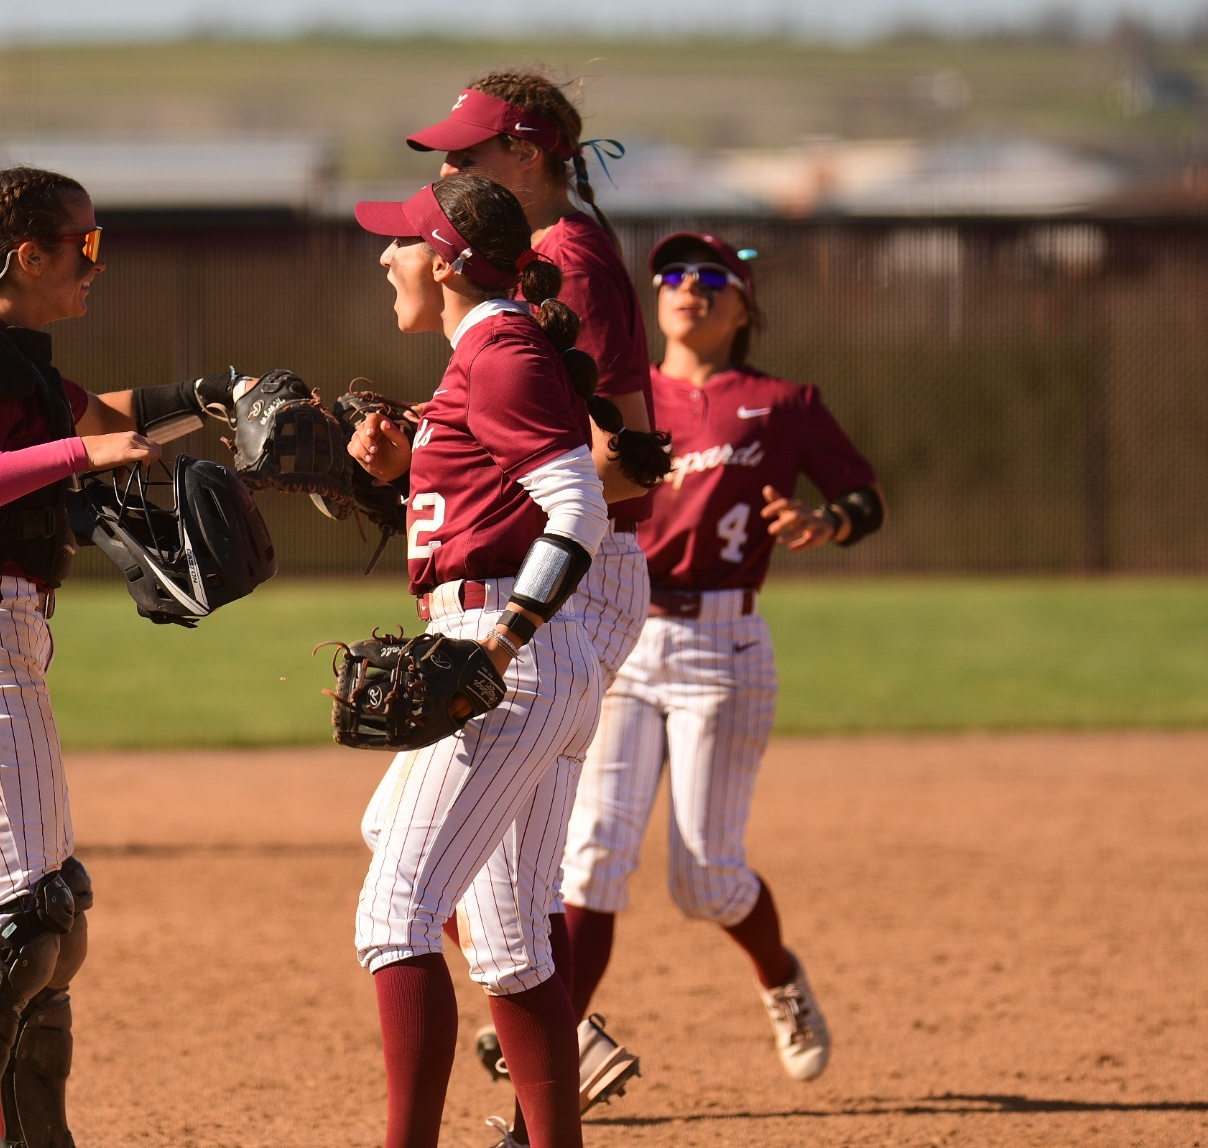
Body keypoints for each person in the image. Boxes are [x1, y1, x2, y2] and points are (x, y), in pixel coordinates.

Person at [0, 166, 247, 1148]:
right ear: (27, 253)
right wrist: (86, 458)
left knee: (51, 910)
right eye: (84, 246)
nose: (93, 264)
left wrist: (217, 397)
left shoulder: (12, 352)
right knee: (19, 915)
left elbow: (101, 417)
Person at [557, 233, 886, 1085]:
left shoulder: (782, 402)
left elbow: (864, 493)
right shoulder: (618, 396)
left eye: (711, 278)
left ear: (743, 308)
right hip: (623, 636)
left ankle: (779, 975)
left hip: (724, 645)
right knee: (593, 851)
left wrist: (830, 522)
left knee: (704, 879)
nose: (686, 288)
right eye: (670, 274)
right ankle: (555, 1043)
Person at [400, 72, 659, 1129]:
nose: (451, 171)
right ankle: (556, 1056)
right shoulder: (550, 258)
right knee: (471, 878)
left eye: (469, 154)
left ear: (528, 152)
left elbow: (620, 457)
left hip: (566, 579)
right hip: (563, 570)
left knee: (423, 878)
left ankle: (560, 1039)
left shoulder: (562, 258)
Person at [344, 173, 611, 1148]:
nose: (386, 256)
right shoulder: (486, 352)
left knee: (392, 918)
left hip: (508, 646)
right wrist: (393, 457)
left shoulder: (498, 349)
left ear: (449, 261)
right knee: (503, 939)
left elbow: (579, 507)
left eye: (403, 241)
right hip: (534, 654)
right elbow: (479, 488)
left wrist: (500, 640)